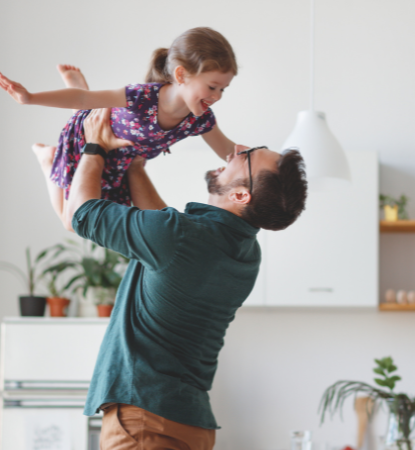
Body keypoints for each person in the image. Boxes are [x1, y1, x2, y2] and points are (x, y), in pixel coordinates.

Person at [56, 107, 307, 449]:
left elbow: (79, 214)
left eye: (246, 156)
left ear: (239, 195)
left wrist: (94, 147)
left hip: (145, 420)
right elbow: (162, 227)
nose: (236, 149)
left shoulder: (179, 237)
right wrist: (133, 164)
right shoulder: (245, 253)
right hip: (188, 423)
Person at [0, 27, 240, 229]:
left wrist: (274, 162)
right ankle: (48, 159)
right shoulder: (142, 97)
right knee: (72, 223)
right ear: (181, 74)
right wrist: (29, 97)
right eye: (212, 87)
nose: (217, 96)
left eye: (223, 89)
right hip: (87, 143)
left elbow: (229, 150)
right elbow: (81, 99)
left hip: (120, 163)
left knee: (99, 220)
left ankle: (83, 100)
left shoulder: (200, 119)